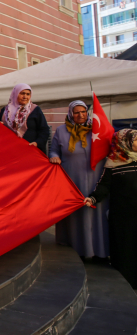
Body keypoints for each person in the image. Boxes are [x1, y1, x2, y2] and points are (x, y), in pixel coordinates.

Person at [50, 101, 108, 260]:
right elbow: (54, 149)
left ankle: (98, 250)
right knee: (76, 213)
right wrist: (54, 156)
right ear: (70, 114)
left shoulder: (96, 129)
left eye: (83, 111)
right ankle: (77, 249)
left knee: (95, 210)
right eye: (76, 112)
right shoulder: (61, 130)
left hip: (95, 177)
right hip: (72, 179)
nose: (81, 115)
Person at [85, 129, 137, 287]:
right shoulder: (113, 163)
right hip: (123, 215)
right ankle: (127, 283)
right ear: (125, 142)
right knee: (125, 248)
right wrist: (92, 198)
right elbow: (104, 186)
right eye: (135, 140)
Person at [0, 83, 49, 149]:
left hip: (30, 149)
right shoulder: (5, 111)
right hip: (9, 148)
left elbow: (44, 130)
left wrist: (37, 143)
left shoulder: (35, 110)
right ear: (15, 94)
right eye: (22, 93)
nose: (25, 97)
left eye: (28, 94)